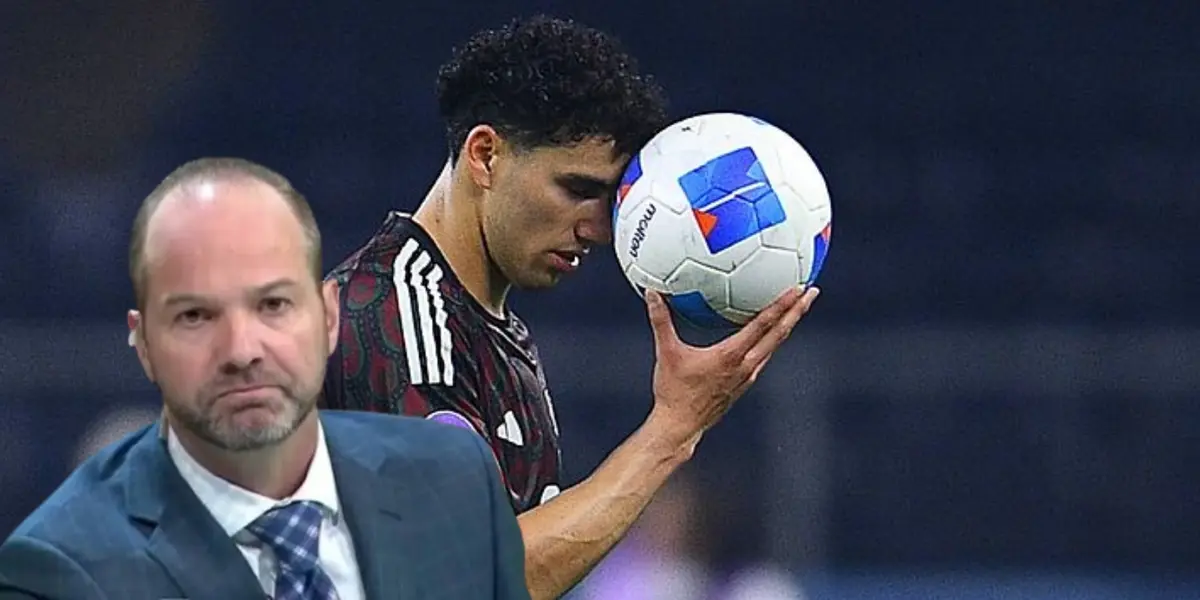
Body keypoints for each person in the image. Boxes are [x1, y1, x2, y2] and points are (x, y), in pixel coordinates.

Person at [322, 15, 820, 600]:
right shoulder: (396, 316)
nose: (599, 230)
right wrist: (672, 429)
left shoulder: (488, 329)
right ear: (485, 155)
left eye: (608, 204)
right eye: (577, 190)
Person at [0, 158, 530, 600]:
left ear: (329, 316)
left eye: (274, 305)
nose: (241, 351)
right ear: (144, 344)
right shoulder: (60, 573)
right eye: (195, 316)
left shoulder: (452, 478)